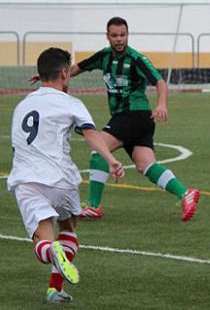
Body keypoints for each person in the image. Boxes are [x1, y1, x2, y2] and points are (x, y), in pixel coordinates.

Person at [31, 17, 200, 221]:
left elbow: (160, 81)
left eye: (123, 35)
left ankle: (94, 205)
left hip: (133, 114)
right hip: (137, 120)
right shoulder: (104, 56)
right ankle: (185, 193)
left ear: (128, 35)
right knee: (145, 165)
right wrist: (48, 78)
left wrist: (162, 104)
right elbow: (76, 68)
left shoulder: (136, 59)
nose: (119, 39)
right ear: (108, 36)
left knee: (98, 151)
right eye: (115, 35)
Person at [9, 48, 125, 303]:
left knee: (43, 240)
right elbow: (91, 133)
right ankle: (54, 288)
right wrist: (111, 159)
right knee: (68, 226)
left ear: (40, 76)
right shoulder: (71, 103)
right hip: (61, 179)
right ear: (64, 73)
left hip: (26, 181)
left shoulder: (22, 105)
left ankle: (52, 251)